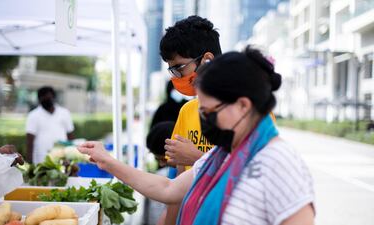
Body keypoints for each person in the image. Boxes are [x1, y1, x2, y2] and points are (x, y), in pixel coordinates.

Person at [78, 47, 315, 225]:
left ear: (243, 105)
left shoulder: (280, 163)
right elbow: (167, 188)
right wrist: (107, 160)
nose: (205, 121)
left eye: (211, 112)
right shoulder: (222, 154)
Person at [159, 15, 222, 224]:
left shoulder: (249, 111)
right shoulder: (187, 111)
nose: (176, 78)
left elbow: (253, 178)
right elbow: (175, 185)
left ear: (207, 59)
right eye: (171, 70)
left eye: (179, 68)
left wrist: (196, 157)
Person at [26, 86, 74, 164]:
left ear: (54, 98)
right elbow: (29, 141)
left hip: (62, 158)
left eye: (49, 97)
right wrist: (29, 162)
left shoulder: (65, 113)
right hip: (41, 159)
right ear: (39, 100)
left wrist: (71, 155)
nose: (47, 100)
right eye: (43, 98)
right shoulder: (33, 115)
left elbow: (70, 135)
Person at [144, 121, 176, 225]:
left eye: (163, 159)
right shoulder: (169, 171)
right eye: (157, 159)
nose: (162, 164)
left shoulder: (185, 173)